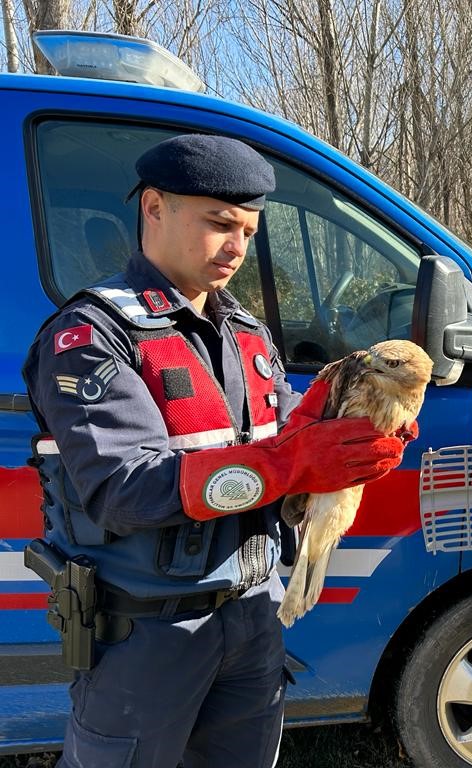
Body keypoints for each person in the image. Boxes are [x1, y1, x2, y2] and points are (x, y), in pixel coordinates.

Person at [22, 134, 410, 768]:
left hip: (253, 614)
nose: (238, 246)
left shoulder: (246, 332)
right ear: (154, 207)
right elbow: (126, 489)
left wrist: (345, 426)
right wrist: (295, 461)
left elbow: (281, 428)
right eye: (221, 223)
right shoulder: (91, 335)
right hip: (145, 633)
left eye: (250, 231)